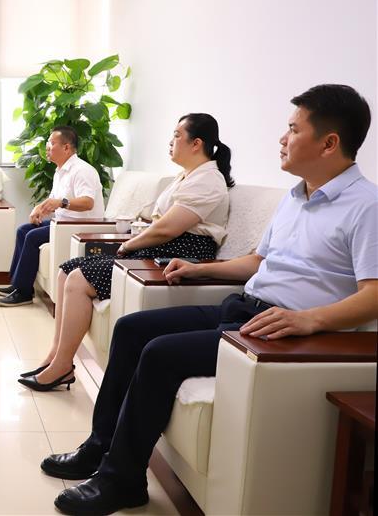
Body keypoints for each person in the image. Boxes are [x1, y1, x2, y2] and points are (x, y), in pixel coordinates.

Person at [42, 84, 378, 516]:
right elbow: (258, 261)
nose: (282, 138)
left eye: (294, 130)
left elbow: (374, 294)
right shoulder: (297, 197)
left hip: (283, 331)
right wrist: (200, 269)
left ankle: (122, 480)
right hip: (244, 308)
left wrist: (310, 320)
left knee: (160, 353)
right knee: (131, 329)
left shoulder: (366, 206)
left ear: (329, 143)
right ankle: (98, 446)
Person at [19, 113, 233, 390]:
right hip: (161, 247)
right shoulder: (187, 176)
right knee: (66, 270)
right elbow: (159, 221)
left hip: (179, 254)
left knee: (78, 278)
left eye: (177, 135)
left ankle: (62, 367)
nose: (171, 141)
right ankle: (55, 357)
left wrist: (129, 244)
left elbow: (168, 228)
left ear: (196, 144)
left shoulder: (208, 180)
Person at [0, 126, 104, 307]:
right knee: (23, 230)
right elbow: (54, 200)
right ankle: (18, 285)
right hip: (62, 223)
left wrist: (61, 202)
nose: (47, 147)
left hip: (80, 226)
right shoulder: (59, 171)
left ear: (66, 147)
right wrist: (39, 208)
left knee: (33, 237)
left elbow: (87, 202)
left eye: (52, 143)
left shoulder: (82, 170)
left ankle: (23, 293)